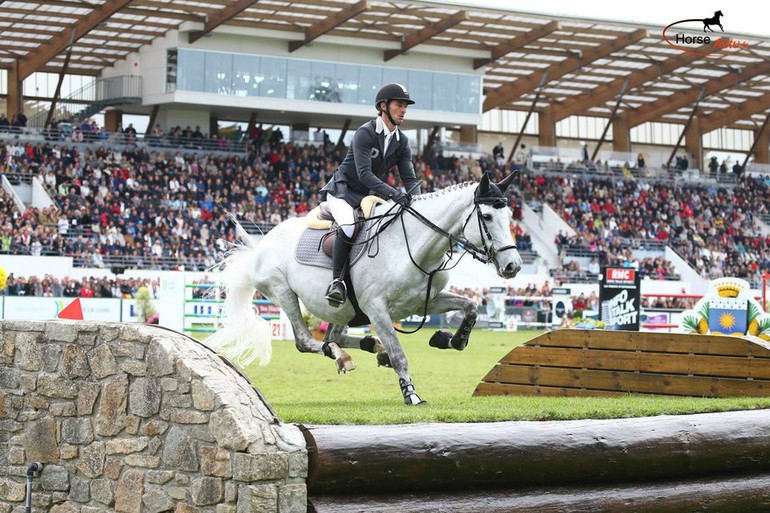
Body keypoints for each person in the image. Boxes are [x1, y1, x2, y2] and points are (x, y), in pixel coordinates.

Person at [320, 83, 421, 306]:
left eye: (406, 106)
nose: (404, 110)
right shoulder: (365, 133)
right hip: (343, 192)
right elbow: (364, 173)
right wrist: (394, 193)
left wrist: (419, 203)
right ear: (383, 106)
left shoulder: (402, 142)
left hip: (368, 197)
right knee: (348, 225)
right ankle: (336, 282)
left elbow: (411, 179)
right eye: (399, 105)